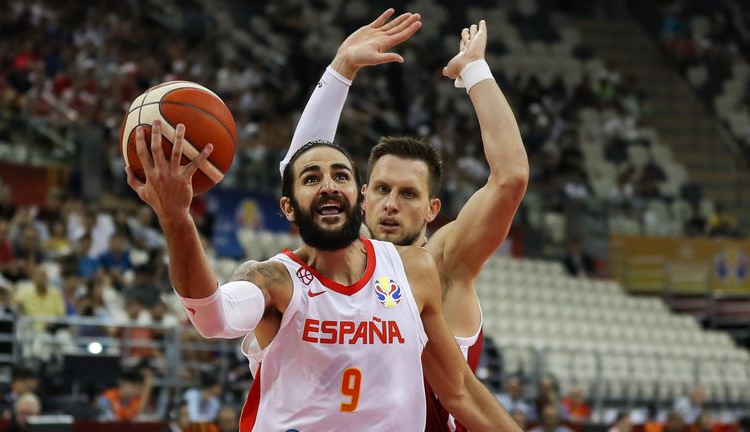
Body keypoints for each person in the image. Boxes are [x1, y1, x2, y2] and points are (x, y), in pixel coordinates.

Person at [126, 122, 519, 430]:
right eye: (312, 179)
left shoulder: (412, 270)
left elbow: (461, 390)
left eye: (341, 176)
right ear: (289, 208)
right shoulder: (273, 280)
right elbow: (210, 318)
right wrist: (177, 219)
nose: (329, 186)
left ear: (359, 198)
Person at [279, 11, 528, 432]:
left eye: (408, 194)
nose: (391, 204)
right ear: (361, 196)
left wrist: (474, 70)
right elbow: (298, 172)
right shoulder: (343, 256)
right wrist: (341, 69)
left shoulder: (445, 262)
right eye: (381, 190)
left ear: (432, 210)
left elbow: (511, 178)